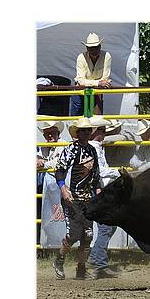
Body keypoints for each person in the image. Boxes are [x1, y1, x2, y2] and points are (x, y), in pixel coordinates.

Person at [52, 117, 101, 280]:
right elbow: (59, 170)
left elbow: (95, 174)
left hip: (87, 199)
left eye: (88, 130)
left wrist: (98, 190)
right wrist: (63, 188)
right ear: (78, 133)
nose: (86, 133)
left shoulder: (92, 151)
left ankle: (81, 267)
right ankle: (59, 260)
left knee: (87, 235)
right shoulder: (71, 149)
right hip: (72, 198)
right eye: (83, 131)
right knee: (73, 235)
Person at [86, 117, 123, 279]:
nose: (104, 133)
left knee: (107, 227)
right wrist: (119, 173)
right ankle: (99, 263)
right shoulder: (94, 148)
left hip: (99, 189)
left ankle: (94, 259)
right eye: (101, 130)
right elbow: (101, 171)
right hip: (99, 190)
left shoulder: (96, 147)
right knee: (106, 227)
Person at [36, 120, 65, 245]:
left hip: (61, 185)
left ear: (58, 133)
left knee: (57, 215)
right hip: (49, 186)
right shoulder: (43, 145)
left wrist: (43, 163)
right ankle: (49, 243)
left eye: (52, 133)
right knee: (49, 214)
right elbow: (38, 158)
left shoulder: (64, 144)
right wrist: (38, 160)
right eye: (47, 134)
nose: (49, 136)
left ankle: (57, 243)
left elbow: (59, 163)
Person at [70, 32, 113, 116]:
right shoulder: (81, 57)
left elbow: (105, 79)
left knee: (96, 116)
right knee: (78, 112)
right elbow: (81, 80)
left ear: (100, 47)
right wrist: (98, 83)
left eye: (96, 48)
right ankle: (75, 128)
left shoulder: (107, 56)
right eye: (91, 48)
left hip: (96, 90)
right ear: (87, 48)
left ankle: (96, 128)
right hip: (82, 89)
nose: (94, 50)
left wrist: (90, 83)